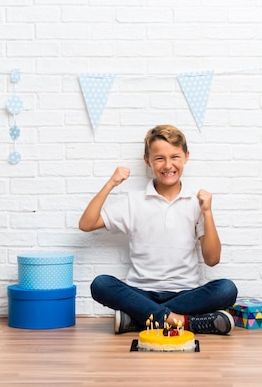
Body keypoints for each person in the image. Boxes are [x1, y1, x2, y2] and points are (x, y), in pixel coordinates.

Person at [79, 124, 238, 335]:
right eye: (160, 158)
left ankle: (140, 319)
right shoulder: (133, 202)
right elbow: (86, 224)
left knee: (226, 289)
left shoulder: (195, 201)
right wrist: (110, 183)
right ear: (148, 161)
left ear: (186, 157)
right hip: (141, 293)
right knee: (100, 284)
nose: (168, 165)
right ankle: (182, 321)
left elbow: (212, 259)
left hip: (185, 293)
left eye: (175, 157)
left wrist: (207, 212)